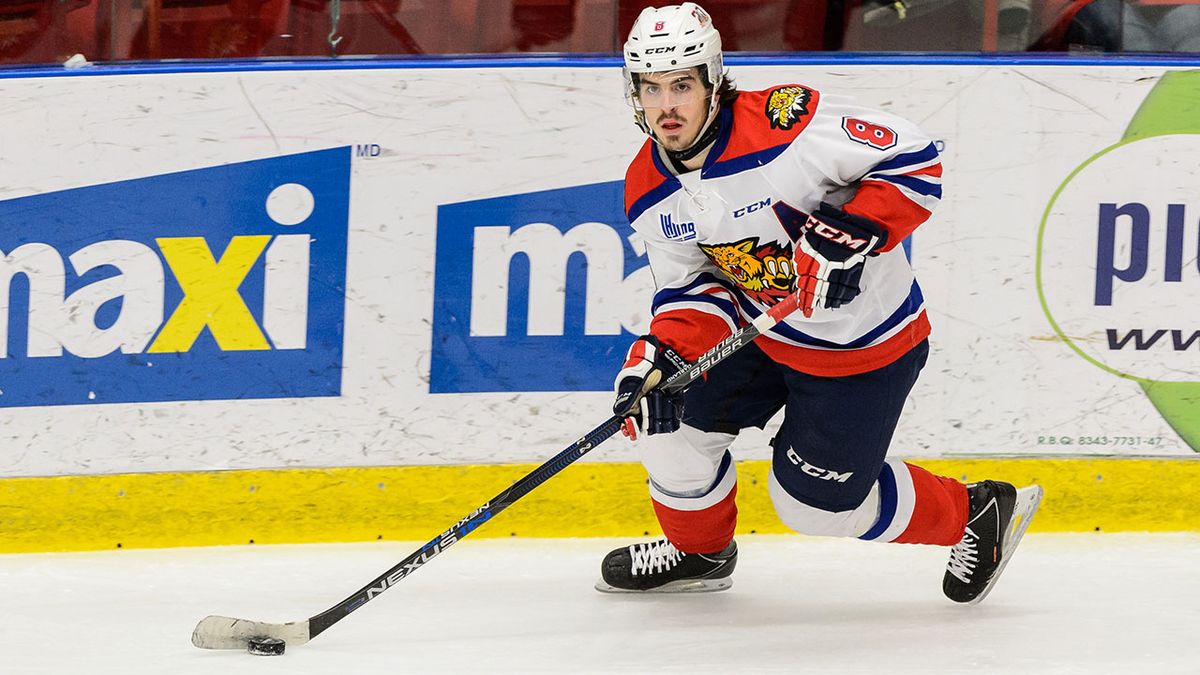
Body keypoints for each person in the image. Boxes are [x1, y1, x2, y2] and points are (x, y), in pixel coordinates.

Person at [598, 2, 1043, 604]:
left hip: (860, 347)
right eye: (651, 88)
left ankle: (976, 513)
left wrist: (854, 229)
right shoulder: (647, 188)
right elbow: (692, 287)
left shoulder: (787, 126)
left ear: (712, 79)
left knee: (814, 509)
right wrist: (662, 353)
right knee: (661, 424)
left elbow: (914, 155)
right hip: (761, 333)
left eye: (682, 84)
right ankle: (702, 553)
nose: (666, 105)